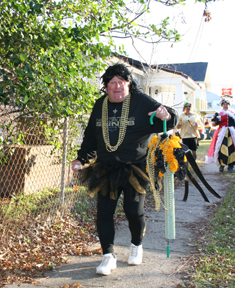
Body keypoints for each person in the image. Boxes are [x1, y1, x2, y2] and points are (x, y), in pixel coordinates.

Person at [71, 63, 178, 276]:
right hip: (106, 167)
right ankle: (108, 256)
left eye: (121, 82)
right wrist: (81, 158)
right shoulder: (100, 105)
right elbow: (91, 137)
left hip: (135, 167)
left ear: (128, 84)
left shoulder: (141, 102)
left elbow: (167, 118)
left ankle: (136, 245)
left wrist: (167, 115)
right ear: (106, 86)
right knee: (104, 212)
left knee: (133, 211)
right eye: (112, 83)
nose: (117, 86)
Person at [205, 98, 235, 173]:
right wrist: (215, 121)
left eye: (227, 104)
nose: (225, 106)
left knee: (232, 149)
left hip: (232, 135)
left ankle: (231, 166)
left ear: (229, 105)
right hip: (222, 134)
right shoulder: (218, 114)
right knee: (222, 149)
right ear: (222, 105)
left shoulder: (234, 114)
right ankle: (222, 165)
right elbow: (213, 124)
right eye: (224, 104)